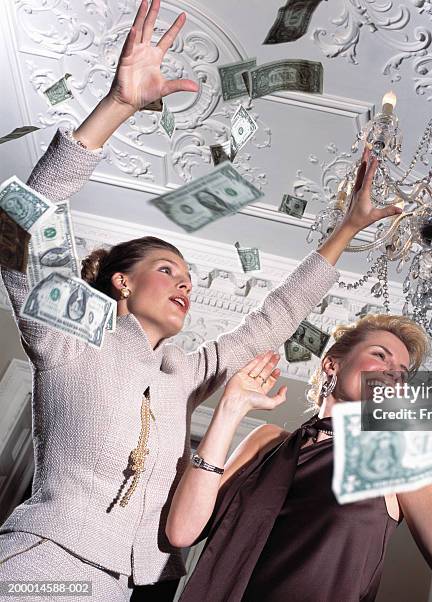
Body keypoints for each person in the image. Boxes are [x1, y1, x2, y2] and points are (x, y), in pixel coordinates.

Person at [0, 1, 402, 600]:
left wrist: (346, 230)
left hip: (141, 586)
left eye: (189, 275)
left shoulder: (184, 374)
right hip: (48, 565)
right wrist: (117, 106)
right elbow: (19, 221)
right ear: (121, 282)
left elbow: (274, 319)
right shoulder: (71, 335)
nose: (186, 284)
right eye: (167, 270)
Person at [169, 314, 432, 602]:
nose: (392, 374)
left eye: (400, 372)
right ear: (331, 365)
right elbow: (183, 532)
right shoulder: (267, 441)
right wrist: (228, 412)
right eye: (380, 356)